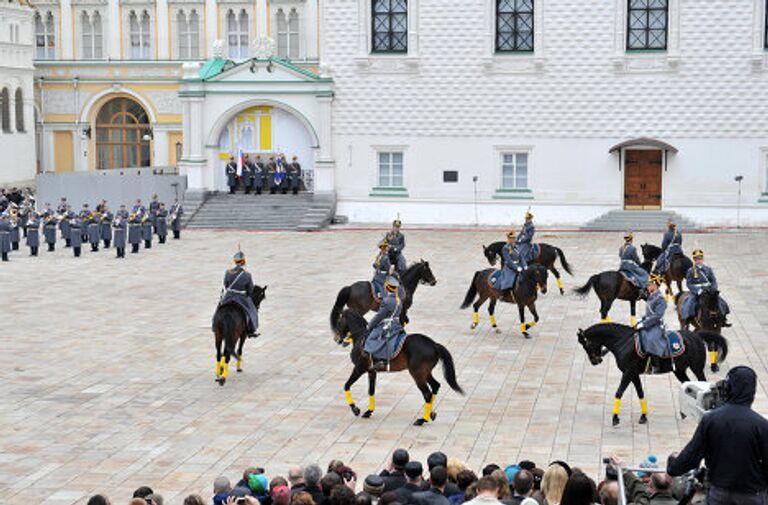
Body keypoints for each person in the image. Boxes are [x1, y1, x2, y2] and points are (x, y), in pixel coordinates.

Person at [667, 366, 768, 504]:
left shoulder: (711, 420)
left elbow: (692, 455)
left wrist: (673, 467)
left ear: (728, 388)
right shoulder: (762, 425)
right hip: (752, 496)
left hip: (720, 493)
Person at [364, 275, 405, 371]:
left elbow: (379, 316)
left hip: (387, 325)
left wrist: (370, 325)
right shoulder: (398, 300)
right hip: (397, 325)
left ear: (386, 287)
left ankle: (380, 361)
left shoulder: (386, 301)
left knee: (371, 338)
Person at [681, 248, 730, 327]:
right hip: (698, 291)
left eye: (700, 259)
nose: (698, 261)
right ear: (694, 260)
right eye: (696, 259)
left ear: (702, 259)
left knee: (721, 302)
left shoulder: (708, 269)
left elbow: (713, 280)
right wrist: (698, 291)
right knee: (690, 303)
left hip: (709, 290)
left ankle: (723, 319)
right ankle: (687, 320)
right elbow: (689, 284)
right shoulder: (691, 271)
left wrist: (713, 289)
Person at [218, 250, 260, 338]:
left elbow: (226, 285)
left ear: (235, 261)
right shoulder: (247, 275)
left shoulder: (228, 272)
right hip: (241, 297)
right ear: (244, 261)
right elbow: (250, 289)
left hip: (228, 296)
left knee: (219, 307)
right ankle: (251, 329)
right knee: (252, 310)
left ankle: (215, 324)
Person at [636, 273, 669, 373]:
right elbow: (649, 313)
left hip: (656, 325)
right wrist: (642, 320)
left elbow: (657, 316)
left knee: (651, 339)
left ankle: (656, 366)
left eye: (649, 284)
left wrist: (644, 324)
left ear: (655, 285)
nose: (647, 286)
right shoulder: (651, 296)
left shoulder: (660, 299)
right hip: (649, 322)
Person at [493, 231, 525, 299]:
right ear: (508, 239)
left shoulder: (516, 247)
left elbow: (521, 257)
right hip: (509, 267)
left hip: (519, 265)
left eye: (514, 238)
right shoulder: (505, 248)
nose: (513, 240)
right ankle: (503, 293)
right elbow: (509, 261)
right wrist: (517, 268)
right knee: (509, 279)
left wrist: (525, 265)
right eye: (511, 238)